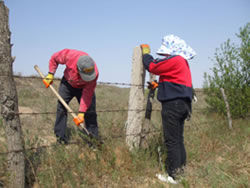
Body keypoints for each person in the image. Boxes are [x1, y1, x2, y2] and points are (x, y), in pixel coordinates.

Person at [141, 34, 196, 184]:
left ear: (172, 49)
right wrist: (159, 86)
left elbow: (152, 66)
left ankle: (173, 176)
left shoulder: (175, 59)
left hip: (173, 105)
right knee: (178, 139)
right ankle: (181, 171)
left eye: (165, 52)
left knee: (171, 141)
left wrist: (146, 54)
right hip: (183, 105)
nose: (164, 55)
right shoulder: (182, 62)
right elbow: (175, 81)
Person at [43, 49, 99, 144]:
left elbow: (87, 94)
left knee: (90, 112)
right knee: (62, 107)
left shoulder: (94, 74)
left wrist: (81, 113)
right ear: (78, 68)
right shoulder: (69, 55)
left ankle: (93, 141)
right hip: (68, 83)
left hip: (84, 88)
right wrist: (51, 74)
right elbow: (54, 58)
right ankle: (60, 139)